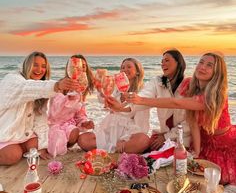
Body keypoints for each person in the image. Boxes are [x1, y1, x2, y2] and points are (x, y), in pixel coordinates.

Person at [126, 52, 236, 184]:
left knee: (219, 179)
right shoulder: (191, 86)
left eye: (209, 65)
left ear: (217, 72)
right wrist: (196, 151)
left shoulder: (215, 95)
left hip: (224, 144)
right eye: (201, 62)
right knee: (191, 170)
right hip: (205, 140)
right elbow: (193, 123)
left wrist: (141, 100)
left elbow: (175, 103)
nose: (202, 67)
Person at [0, 51, 80, 165]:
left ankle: (18, 147)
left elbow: (40, 118)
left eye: (43, 66)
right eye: (35, 65)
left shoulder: (41, 89)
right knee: (13, 155)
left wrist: (42, 146)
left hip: (23, 133)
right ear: (27, 65)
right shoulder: (12, 79)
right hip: (4, 133)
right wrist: (56, 85)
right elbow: (26, 88)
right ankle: (13, 149)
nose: (39, 69)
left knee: (38, 147)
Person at [107, 49, 190, 150]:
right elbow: (144, 97)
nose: (163, 64)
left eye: (167, 60)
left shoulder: (189, 85)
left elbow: (190, 123)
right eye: (162, 61)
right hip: (163, 136)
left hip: (185, 139)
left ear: (178, 62)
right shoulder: (158, 82)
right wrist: (122, 108)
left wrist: (166, 136)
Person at [78, 58, 150, 153]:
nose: (124, 69)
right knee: (82, 139)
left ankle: (116, 147)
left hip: (128, 133)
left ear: (138, 72)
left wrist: (125, 139)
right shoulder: (116, 88)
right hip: (110, 129)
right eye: (122, 67)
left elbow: (141, 124)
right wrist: (100, 88)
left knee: (143, 140)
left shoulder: (142, 92)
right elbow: (104, 100)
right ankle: (115, 149)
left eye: (129, 67)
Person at [47, 54, 95, 157]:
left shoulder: (81, 89)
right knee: (60, 139)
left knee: (74, 132)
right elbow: (54, 113)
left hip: (67, 125)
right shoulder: (61, 85)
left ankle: (63, 144)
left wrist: (84, 122)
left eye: (83, 66)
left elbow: (80, 114)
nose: (80, 69)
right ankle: (55, 144)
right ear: (69, 68)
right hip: (53, 122)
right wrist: (69, 99)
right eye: (75, 66)